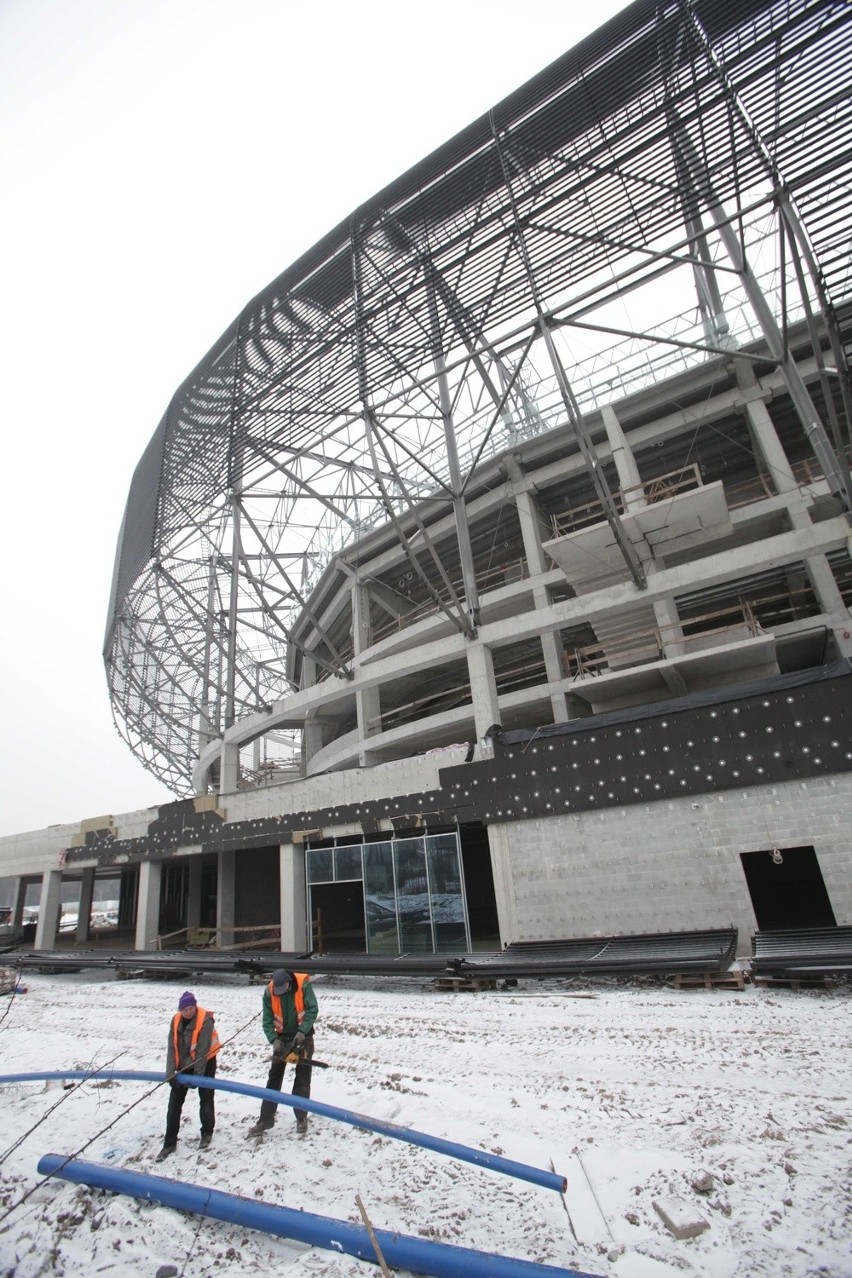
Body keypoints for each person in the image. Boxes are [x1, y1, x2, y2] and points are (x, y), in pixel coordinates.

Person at [248, 968, 318, 1137]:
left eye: (284, 989)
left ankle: (301, 1117)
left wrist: (302, 1032)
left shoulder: (303, 985)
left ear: (289, 982)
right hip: (282, 1038)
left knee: (302, 1079)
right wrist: (274, 1040)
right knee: (274, 1079)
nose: (280, 993)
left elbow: (312, 1010)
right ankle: (266, 1119)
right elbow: (266, 1021)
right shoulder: (270, 992)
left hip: (303, 1037)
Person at [157, 990, 220, 1160]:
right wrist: (170, 1073)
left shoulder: (205, 1019)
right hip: (184, 1065)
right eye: (185, 1009)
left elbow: (202, 1050)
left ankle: (206, 1133)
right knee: (174, 1104)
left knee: (206, 1098)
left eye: (192, 1008)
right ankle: (169, 1143)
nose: (189, 1012)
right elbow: (172, 1047)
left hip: (205, 1062)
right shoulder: (176, 1020)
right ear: (180, 1010)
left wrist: (197, 1077)